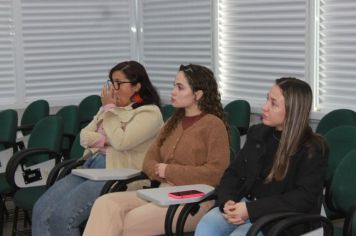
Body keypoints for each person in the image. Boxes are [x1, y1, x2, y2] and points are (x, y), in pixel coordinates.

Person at [83, 64, 230, 236]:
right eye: (174, 85)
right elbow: (149, 161)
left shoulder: (213, 125)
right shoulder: (172, 122)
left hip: (194, 201)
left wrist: (169, 171)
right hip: (162, 192)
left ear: (198, 94)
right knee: (105, 204)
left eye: (180, 87)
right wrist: (163, 173)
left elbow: (216, 173)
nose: (173, 91)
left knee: (124, 223)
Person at [32, 61, 163, 236]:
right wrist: (106, 140)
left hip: (119, 173)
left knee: (64, 217)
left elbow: (121, 142)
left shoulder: (149, 113)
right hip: (91, 164)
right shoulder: (107, 109)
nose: (113, 89)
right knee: (41, 209)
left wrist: (110, 111)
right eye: (111, 82)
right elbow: (84, 136)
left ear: (136, 86)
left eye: (118, 83)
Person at [195, 77, 328, 236]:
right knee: (206, 226)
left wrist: (250, 210)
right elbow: (233, 173)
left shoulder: (313, 148)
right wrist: (227, 201)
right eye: (267, 99)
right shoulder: (258, 133)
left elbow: (303, 198)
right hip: (246, 204)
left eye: (273, 103)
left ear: (293, 110)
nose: (264, 107)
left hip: (282, 219)